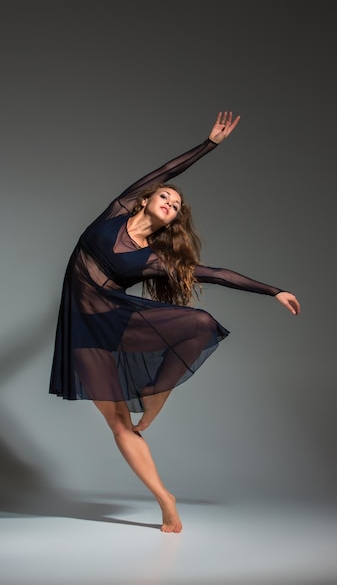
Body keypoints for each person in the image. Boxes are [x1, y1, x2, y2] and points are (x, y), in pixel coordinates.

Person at [49, 112, 300, 533]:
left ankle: (156, 394)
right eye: (165, 197)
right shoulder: (117, 210)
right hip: (80, 326)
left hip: (111, 320)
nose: (169, 203)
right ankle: (166, 498)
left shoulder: (153, 260)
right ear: (147, 200)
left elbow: (216, 274)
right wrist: (210, 145)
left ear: (172, 221)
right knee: (118, 424)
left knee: (199, 323)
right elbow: (166, 170)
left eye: (176, 206)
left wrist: (273, 290)